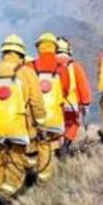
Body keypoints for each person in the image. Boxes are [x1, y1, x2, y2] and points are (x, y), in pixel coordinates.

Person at [0, 34, 47, 205]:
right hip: (17, 126)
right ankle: (6, 194)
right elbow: (36, 103)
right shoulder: (27, 73)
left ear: (4, 52)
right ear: (20, 54)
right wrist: (40, 124)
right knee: (17, 160)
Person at [27, 32, 67, 183]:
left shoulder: (30, 66)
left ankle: (28, 173)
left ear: (39, 48)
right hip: (54, 118)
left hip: (34, 118)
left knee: (31, 145)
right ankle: (44, 179)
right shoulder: (61, 68)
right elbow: (65, 90)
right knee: (47, 145)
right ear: (54, 48)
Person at [56, 36, 91, 156]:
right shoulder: (75, 67)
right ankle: (65, 145)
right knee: (74, 124)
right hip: (71, 105)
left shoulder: (48, 67)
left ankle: (55, 148)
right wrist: (85, 103)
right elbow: (83, 87)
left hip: (53, 107)